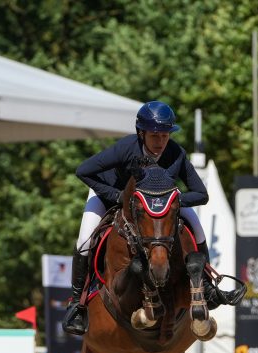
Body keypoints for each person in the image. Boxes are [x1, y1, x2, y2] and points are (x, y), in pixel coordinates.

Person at [62, 100, 245, 336]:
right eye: (154, 136)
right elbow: (83, 170)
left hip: (159, 205)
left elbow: (201, 194)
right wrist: (116, 196)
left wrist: (171, 201)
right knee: (84, 241)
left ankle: (208, 287)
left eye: (165, 136)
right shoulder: (126, 148)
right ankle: (77, 304)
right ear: (141, 133)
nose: (160, 142)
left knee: (197, 228)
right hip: (109, 195)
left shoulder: (175, 153)